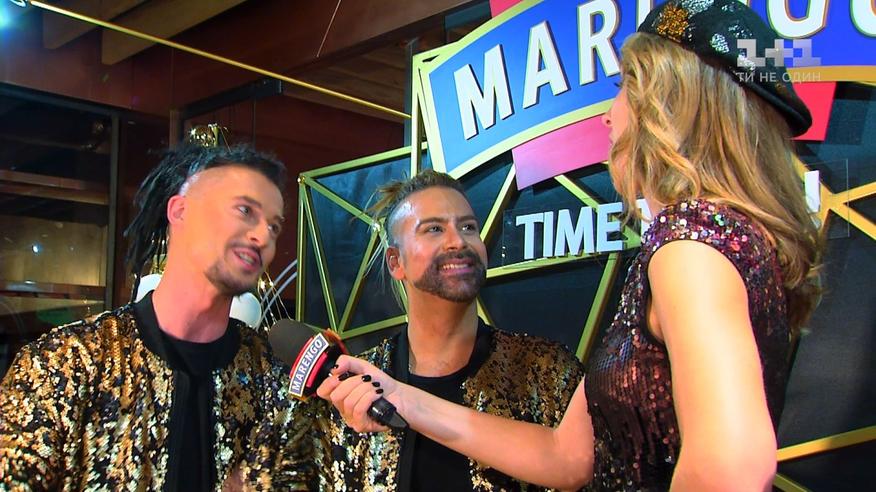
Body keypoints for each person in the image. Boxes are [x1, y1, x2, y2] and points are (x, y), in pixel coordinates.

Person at [317, 0, 823, 490]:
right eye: (432, 229)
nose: (609, 115)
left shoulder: (691, 246)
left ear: (667, 106)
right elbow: (566, 456)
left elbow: (730, 469)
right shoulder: (714, 242)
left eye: (624, 88)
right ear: (395, 262)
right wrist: (402, 397)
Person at [0, 144, 309, 490]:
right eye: (245, 210)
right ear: (180, 211)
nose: (262, 236)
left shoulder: (274, 382)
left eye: (274, 226)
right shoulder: (66, 364)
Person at [296, 170, 584, 491]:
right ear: (396, 262)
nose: (458, 241)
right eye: (434, 229)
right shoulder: (355, 392)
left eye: (468, 227)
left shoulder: (546, 371)